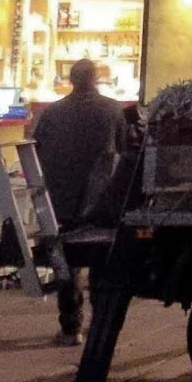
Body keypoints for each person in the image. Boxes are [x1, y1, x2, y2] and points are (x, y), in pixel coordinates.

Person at [33, 59, 127, 345]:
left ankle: (70, 327)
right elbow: (124, 152)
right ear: (96, 79)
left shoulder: (52, 113)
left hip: (61, 200)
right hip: (99, 201)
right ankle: (100, 329)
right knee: (100, 263)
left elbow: (37, 150)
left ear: (71, 80)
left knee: (67, 264)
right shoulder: (113, 110)